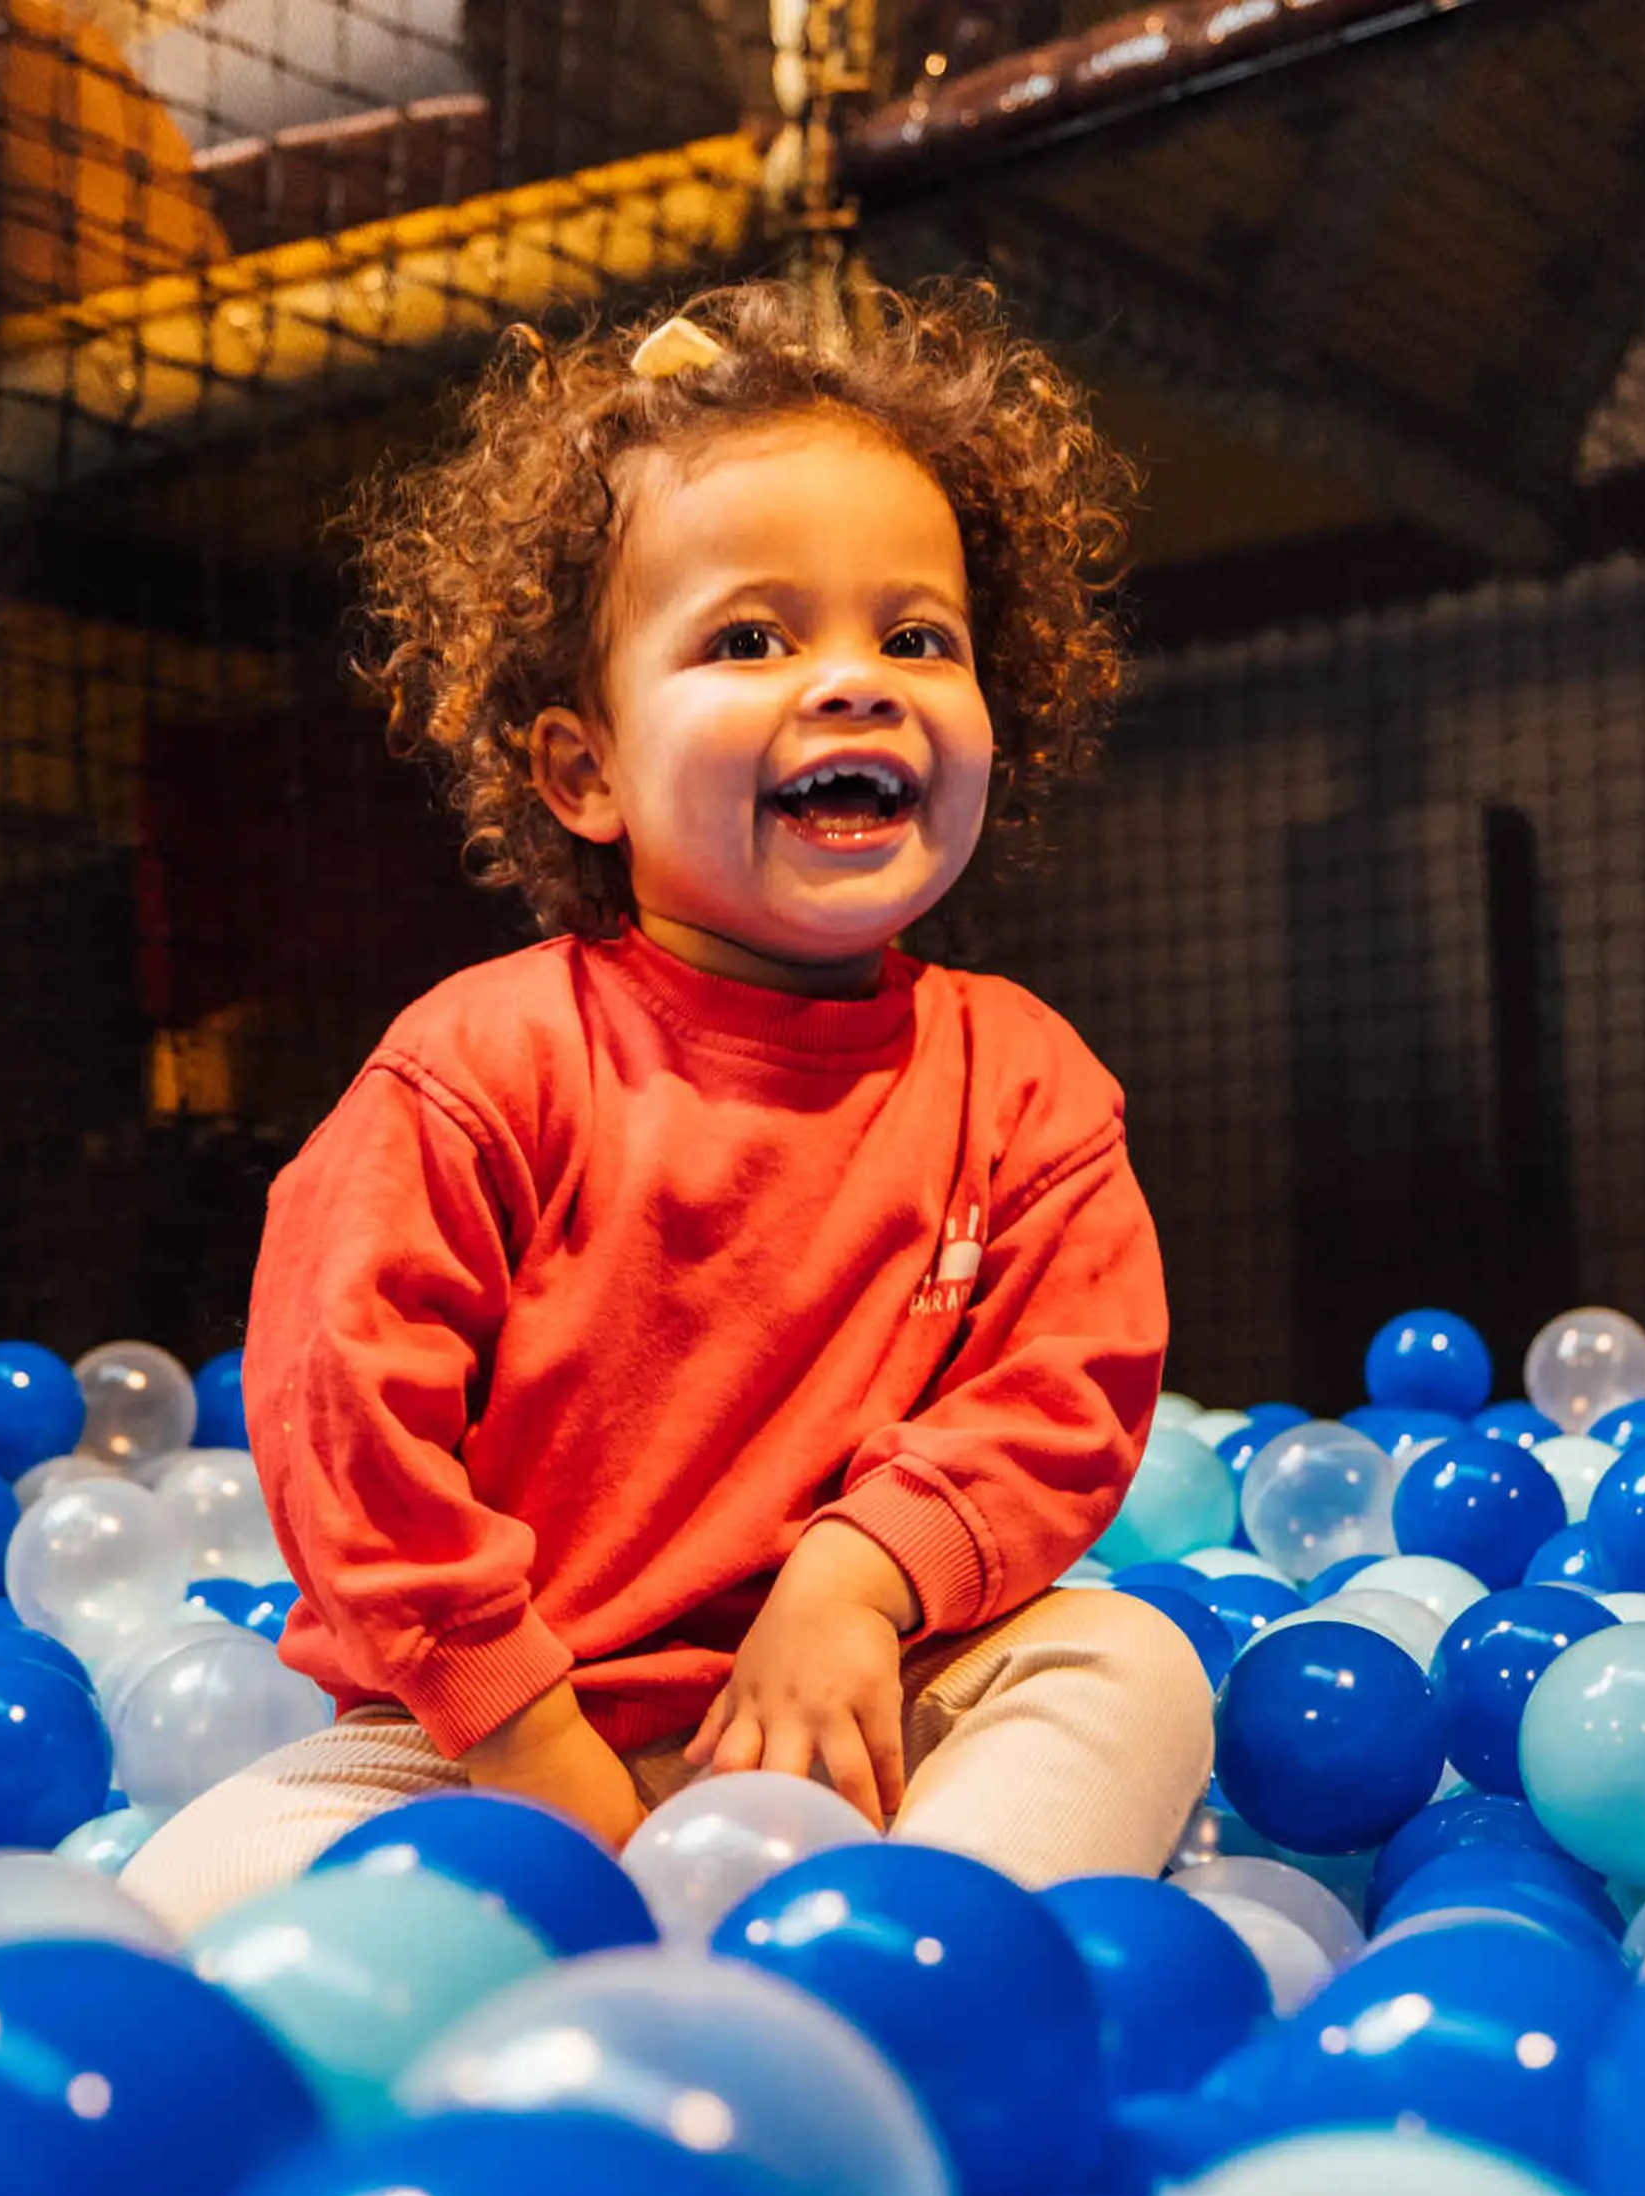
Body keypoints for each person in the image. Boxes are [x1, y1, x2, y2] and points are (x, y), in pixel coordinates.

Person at [120, 277, 1215, 1932]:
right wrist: (524, 1733)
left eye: (916, 636)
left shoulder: (1025, 1082)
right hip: (479, 1739)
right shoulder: (480, 1066)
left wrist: (859, 1582)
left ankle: (911, 1955)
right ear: (589, 772)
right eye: (751, 639)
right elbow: (348, 1406)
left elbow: (1065, 1392)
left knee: (1133, 1665)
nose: (854, 683)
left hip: (863, 1712)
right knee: (198, 1895)